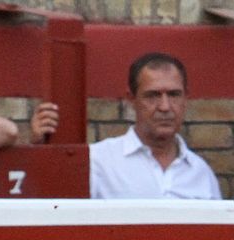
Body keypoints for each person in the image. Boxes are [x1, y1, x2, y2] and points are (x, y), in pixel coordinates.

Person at [90, 53, 220, 200]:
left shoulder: (201, 174)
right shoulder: (99, 163)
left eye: (174, 95)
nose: (165, 107)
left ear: (185, 98)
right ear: (132, 99)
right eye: (153, 95)